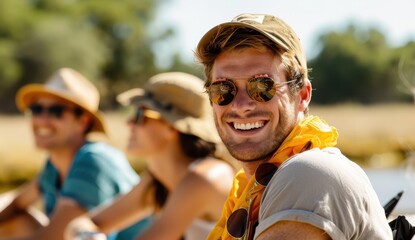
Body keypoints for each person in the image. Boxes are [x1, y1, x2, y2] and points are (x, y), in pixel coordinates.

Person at [195, 13, 393, 239]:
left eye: (262, 86)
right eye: (223, 89)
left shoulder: (308, 173)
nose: (241, 106)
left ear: (302, 95)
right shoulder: (249, 190)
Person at [65, 72, 235, 240]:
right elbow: (84, 223)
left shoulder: (204, 179)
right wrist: (86, 235)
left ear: (171, 126)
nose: (129, 122)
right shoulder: (159, 181)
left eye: (140, 115)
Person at [0, 68, 150, 240]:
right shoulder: (54, 166)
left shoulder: (93, 160)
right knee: (16, 220)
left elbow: (52, 237)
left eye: (56, 111)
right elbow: (16, 201)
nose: (42, 120)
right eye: (36, 109)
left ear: (83, 121)